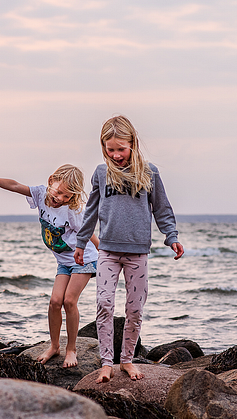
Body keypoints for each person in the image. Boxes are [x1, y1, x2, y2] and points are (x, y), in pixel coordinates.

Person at [73, 115, 184, 383]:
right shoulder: (101, 173)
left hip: (138, 253)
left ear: (132, 144)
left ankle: (127, 361)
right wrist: (81, 242)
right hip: (108, 252)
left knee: (134, 310)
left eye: (120, 149)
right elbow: (90, 211)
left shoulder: (149, 172)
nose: (116, 155)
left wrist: (171, 236)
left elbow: (162, 207)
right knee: (104, 304)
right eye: (110, 149)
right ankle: (106, 363)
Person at [0, 164, 100, 368]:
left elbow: (88, 233)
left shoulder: (72, 211)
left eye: (67, 196)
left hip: (84, 259)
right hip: (64, 262)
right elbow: (16, 185)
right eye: (59, 192)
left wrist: (107, 254)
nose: (60, 198)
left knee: (69, 301)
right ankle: (54, 346)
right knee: (54, 301)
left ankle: (71, 349)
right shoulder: (40, 194)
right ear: (51, 180)